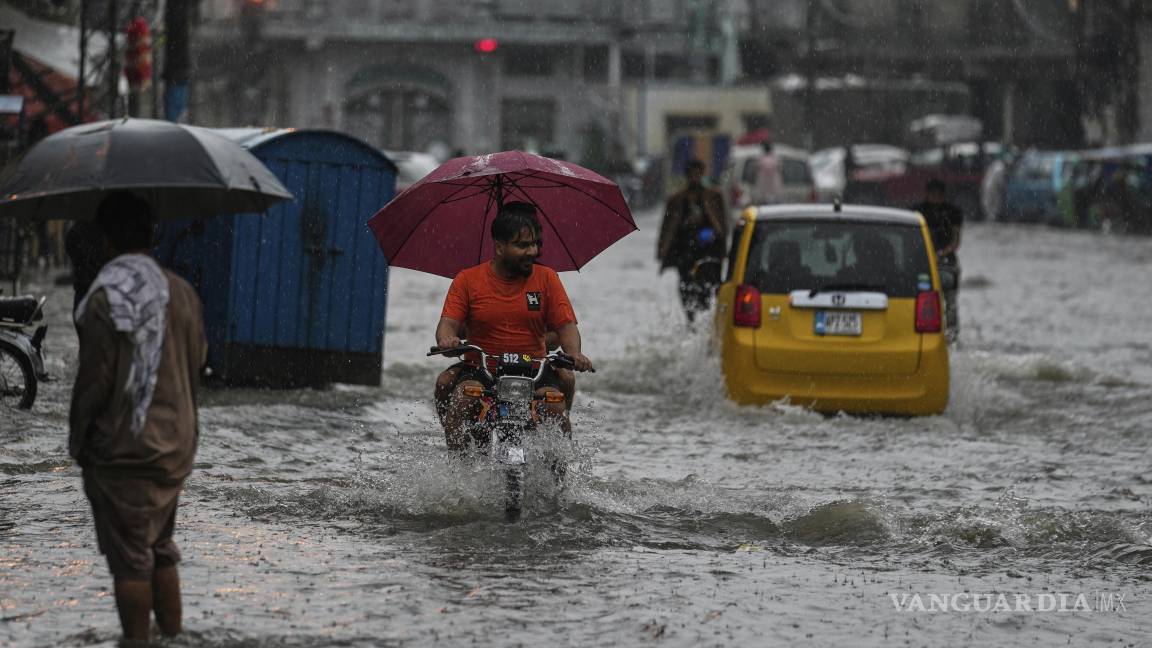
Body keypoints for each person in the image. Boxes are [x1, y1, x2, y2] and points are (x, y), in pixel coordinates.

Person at [69, 191, 207, 644]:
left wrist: (79, 441)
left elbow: (94, 383)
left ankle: (137, 641)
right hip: (176, 444)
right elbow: (196, 362)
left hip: (127, 446)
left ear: (105, 240)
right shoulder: (181, 291)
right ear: (151, 235)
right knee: (160, 547)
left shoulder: (106, 298)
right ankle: (171, 637)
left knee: (130, 558)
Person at [434, 201, 593, 450]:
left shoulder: (548, 278)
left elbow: (566, 326)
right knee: (459, 396)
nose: (531, 251)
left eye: (534, 244)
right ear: (499, 247)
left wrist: (574, 353)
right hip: (482, 369)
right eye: (522, 245)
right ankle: (459, 471)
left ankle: (558, 478)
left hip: (534, 370)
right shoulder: (467, 279)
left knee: (556, 405)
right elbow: (447, 324)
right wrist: (447, 339)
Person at [657, 158, 728, 324]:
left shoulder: (714, 196)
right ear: (687, 176)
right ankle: (691, 320)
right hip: (685, 252)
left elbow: (723, 226)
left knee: (709, 288)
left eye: (697, 174)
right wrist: (662, 252)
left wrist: (720, 243)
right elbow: (666, 228)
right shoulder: (676, 200)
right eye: (691, 174)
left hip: (708, 251)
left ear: (702, 174)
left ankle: (707, 320)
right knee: (686, 288)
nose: (694, 178)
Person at [912, 179, 964, 341]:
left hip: (947, 263)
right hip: (922, 262)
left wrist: (942, 253)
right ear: (926, 194)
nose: (935, 198)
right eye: (932, 194)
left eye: (938, 195)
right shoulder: (917, 211)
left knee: (950, 301)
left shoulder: (953, 212)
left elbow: (956, 240)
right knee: (920, 300)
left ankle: (951, 335)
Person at [751, 139, 782, 205]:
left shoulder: (760, 159)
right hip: (774, 190)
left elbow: (754, 172)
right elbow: (780, 170)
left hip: (762, 190)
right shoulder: (776, 159)